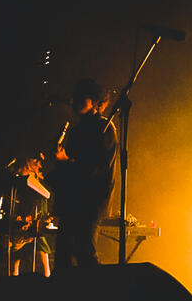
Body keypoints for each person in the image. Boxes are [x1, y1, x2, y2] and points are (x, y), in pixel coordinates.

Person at [46, 78, 117, 269]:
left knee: (84, 254)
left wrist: (65, 160)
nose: (75, 100)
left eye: (81, 97)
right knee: (63, 259)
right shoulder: (77, 130)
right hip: (72, 202)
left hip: (90, 202)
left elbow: (97, 168)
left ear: (95, 101)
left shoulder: (104, 128)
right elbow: (72, 169)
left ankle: (96, 296)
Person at [8, 154, 52, 277]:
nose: (38, 164)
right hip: (18, 226)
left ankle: (47, 275)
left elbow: (42, 205)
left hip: (32, 224)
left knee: (41, 243)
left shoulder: (37, 184)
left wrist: (45, 217)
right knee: (16, 258)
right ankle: (14, 275)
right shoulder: (17, 179)